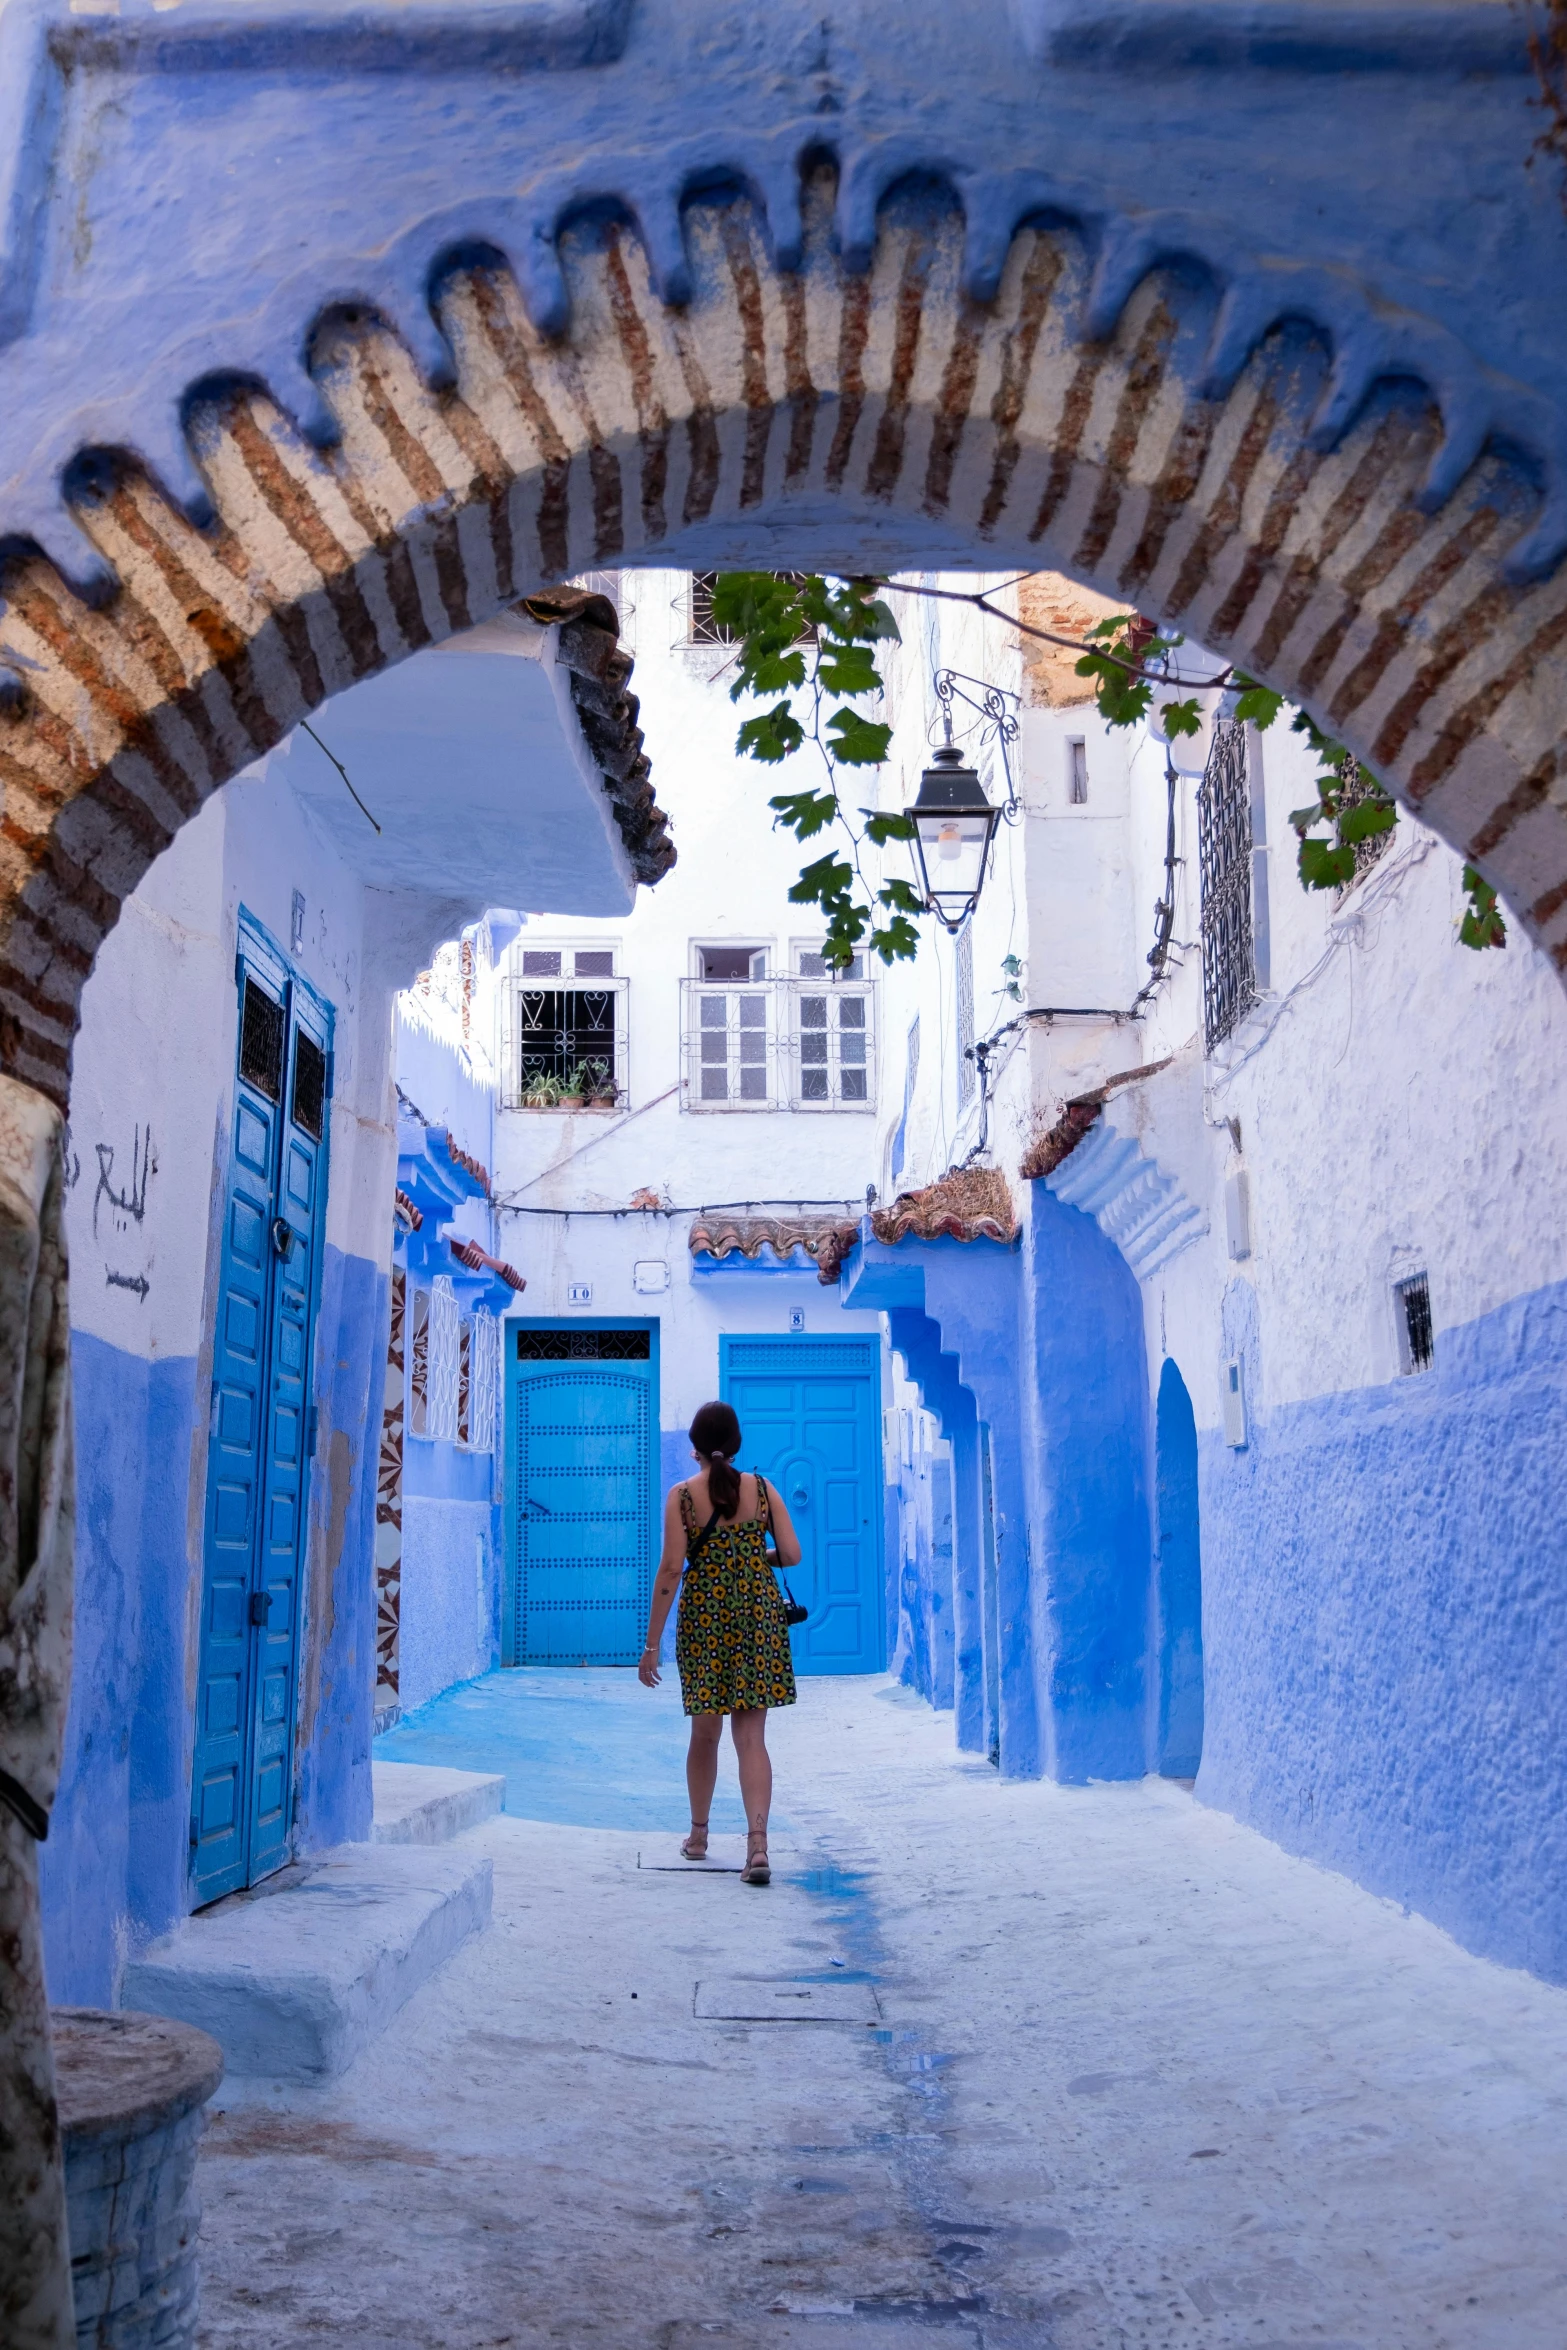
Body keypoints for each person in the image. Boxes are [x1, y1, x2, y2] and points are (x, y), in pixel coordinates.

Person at [638, 1401, 802, 1885]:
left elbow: (671, 1571)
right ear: (735, 1446)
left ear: (694, 1449)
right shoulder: (764, 1488)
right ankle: (757, 1847)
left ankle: (698, 1838)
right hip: (758, 1621)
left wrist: (651, 1647)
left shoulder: (682, 1498)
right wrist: (751, 1555)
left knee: (705, 1734)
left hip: (705, 1624)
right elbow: (791, 1554)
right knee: (751, 1738)